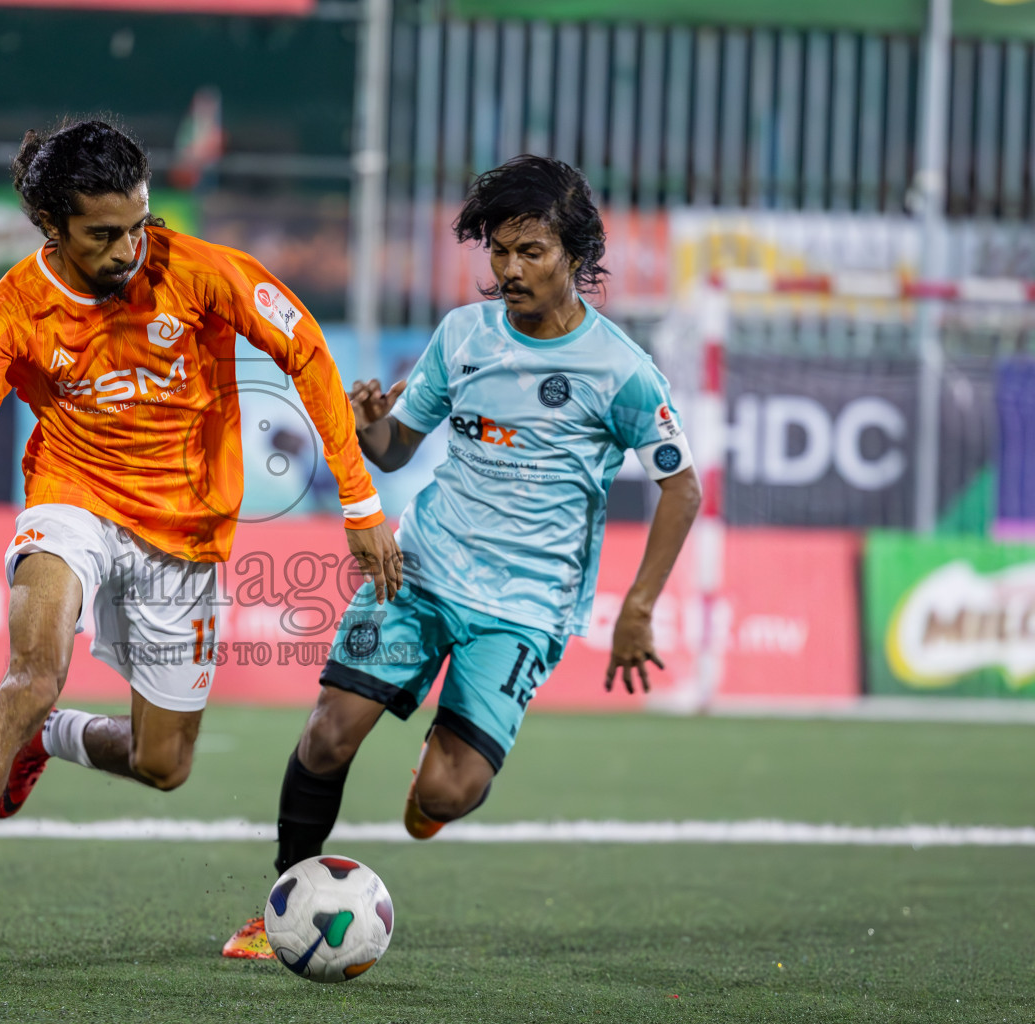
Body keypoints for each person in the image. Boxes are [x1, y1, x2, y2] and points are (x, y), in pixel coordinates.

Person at [0, 119, 403, 979]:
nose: (128, 249)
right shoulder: (14, 310)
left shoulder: (199, 271)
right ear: (50, 227)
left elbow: (305, 350)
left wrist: (360, 501)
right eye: (103, 235)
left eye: (137, 224)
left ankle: (52, 739)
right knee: (29, 676)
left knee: (162, 764)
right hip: (73, 503)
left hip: (185, 538)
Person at [222, 154, 701, 959]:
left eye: (531, 253)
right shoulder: (462, 335)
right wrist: (372, 424)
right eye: (499, 252)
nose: (509, 270)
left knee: (448, 792)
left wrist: (640, 606)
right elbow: (397, 448)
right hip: (422, 568)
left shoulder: (619, 371)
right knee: (329, 735)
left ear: (577, 257)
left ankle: (432, 783)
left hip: (525, 605)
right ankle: (282, 902)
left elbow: (680, 489)